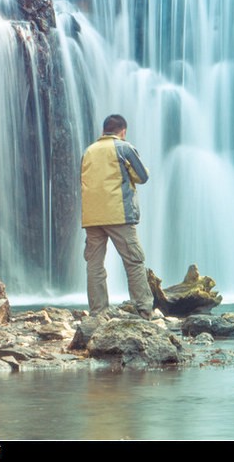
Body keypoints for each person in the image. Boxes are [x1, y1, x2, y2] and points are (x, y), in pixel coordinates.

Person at [80, 114, 155, 319]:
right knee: (134, 261)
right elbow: (143, 177)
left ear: (103, 131)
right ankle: (144, 309)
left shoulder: (88, 151)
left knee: (94, 265)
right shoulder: (124, 147)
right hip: (119, 214)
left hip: (92, 216)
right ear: (123, 131)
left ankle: (98, 312)